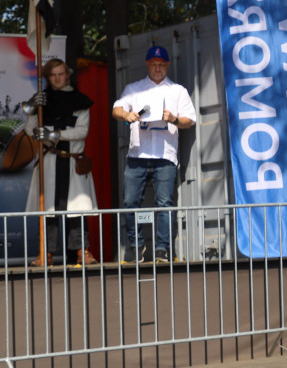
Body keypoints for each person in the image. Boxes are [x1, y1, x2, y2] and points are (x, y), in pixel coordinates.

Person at [111, 46, 195, 263]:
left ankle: (162, 250)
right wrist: (127, 115)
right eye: (154, 64)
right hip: (137, 153)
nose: (158, 68)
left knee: (165, 203)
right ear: (147, 65)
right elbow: (116, 109)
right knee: (130, 201)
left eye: (161, 64)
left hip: (165, 154)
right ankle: (136, 247)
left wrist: (174, 119)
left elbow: (190, 120)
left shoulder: (178, 90)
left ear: (167, 65)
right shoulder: (134, 88)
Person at [24, 58, 98, 266]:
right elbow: (30, 131)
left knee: (77, 208)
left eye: (61, 74)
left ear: (67, 74)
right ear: (48, 78)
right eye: (53, 75)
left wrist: (54, 134)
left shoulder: (81, 101)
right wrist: (32, 110)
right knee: (48, 208)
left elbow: (82, 131)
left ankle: (82, 251)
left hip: (72, 161)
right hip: (50, 161)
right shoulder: (42, 100)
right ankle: (45, 253)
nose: (57, 78)